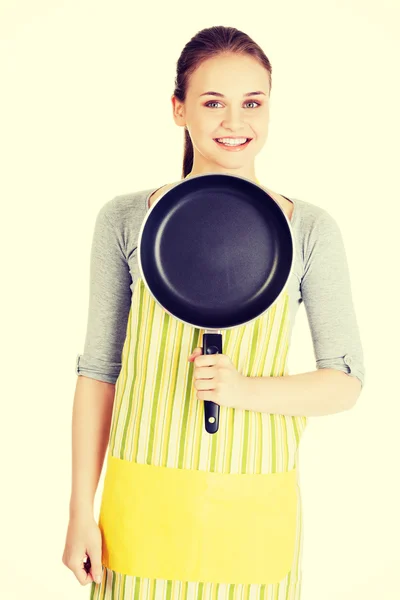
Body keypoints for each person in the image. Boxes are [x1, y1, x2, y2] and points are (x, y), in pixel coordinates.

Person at [62, 25, 365, 600]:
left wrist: (242, 390)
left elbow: (345, 383)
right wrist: (81, 509)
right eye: (212, 103)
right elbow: (99, 371)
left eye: (252, 102)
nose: (235, 122)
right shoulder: (126, 220)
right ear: (178, 109)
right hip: (139, 511)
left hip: (253, 514)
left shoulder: (310, 229)